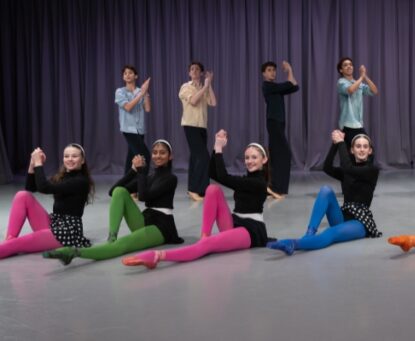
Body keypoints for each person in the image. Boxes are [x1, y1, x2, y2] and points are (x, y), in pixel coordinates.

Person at [123, 130, 270, 269]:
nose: (249, 161)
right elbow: (214, 174)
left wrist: (219, 148)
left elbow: (224, 177)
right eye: (247, 157)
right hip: (235, 222)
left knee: (209, 244)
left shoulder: (258, 184)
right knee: (212, 189)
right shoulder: (247, 180)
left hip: (250, 231)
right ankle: (204, 235)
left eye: (254, 157)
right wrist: (215, 147)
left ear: (264, 160)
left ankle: (158, 256)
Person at [43, 140, 184, 265]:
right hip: (146, 218)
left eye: (162, 153)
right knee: (120, 192)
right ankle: (112, 236)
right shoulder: (149, 177)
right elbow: (114, 191)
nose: (158, 156)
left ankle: (74, 252)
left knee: (123, 245)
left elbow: (144, 197)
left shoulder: (171, 178)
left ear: (170, 156)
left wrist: (141, 172)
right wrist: (133, 171)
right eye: (154, 152)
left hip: (161, 227)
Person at [266, 130, 381, 255]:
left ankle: (293, 243)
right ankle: (309, 234)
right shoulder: (348, 171)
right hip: (343, 216)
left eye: (365, 147)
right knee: (326, 190)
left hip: (359, 222)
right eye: (358, 146)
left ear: (370, 151)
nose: (362, 149)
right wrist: (335, 144)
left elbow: (348, 168)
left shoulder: (372, 170)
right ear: (352, 150)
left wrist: (342, 143)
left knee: (330, 233)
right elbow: (327, 167)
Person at [1, 144, 94, 259]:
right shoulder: (63, 176)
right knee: (22, 195)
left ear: (83, 160)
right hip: (54, 223)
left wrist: (39, 163)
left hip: (67, 231)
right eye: (66, 156)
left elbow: (44, 188)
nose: (70, 159)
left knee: (15, 244)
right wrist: (33, 163)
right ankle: (9, 239)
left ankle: (8, 243)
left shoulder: (81, 181)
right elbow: (31, 187)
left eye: (74, 156)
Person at [261, 60, 300, 199]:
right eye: (269, 70)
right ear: (264, 73)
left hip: (279, 123)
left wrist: (290, 72)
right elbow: (290, 84)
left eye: (274, 70)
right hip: (274, 123)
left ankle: (272, 187)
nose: (273, 72)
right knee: (284, 154)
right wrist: (289, 70)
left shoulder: (276, 87)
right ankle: (275, 187)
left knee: (277, 155)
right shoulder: (267, 86)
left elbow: (295, 87)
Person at [179, 61, 217, 201]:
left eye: (197, 69)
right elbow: (194, 101)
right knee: (203, 157)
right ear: (189, 73)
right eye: (192, 69)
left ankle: (195, 190)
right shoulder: (185, 87)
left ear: (201, 73)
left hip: (202, 126)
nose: (194, 71)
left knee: (196, 158)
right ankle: (196, 189)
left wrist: (209, 86)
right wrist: (204, 88)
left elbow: (213, 103)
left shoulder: (204, 87)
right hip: (190, 125)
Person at [115, 65, 152, 175]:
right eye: (125, 73)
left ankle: (126, 185)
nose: (127, 75)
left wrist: (145, 93)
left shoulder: (141, 91)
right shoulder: (120, 91)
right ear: (123, 77)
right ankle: (142, 184)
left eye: (130, 73)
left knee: (131, 156)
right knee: (144, 156)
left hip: (140, 129)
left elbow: (148, 108)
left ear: (136, 76)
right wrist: (141, 93)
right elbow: (128, 107)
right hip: (128, 129)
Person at [337, 57, 379, 147]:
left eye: (350, 65)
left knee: (365, 151)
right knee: (351, 153)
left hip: (358, 123)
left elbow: (374, 91)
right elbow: (350, 90)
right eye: (345, 65)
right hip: (347, 124)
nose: (349, 66)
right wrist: (361, 77)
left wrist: (365, 77)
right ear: (341, 70)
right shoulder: (341, 82)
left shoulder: (358, 83)